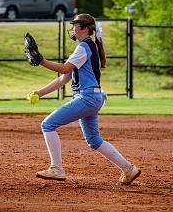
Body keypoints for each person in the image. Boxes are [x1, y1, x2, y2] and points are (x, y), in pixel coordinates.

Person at [31, 13, 141, 185]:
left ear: (82, 27)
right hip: (93, 97)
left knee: (47, 125)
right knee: (94, 140)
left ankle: (56, 168)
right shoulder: (85, 47)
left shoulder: (84, 46)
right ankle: (129, 169)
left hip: (87, 97)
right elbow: (63, 78)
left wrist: (42, 61)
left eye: (74, 25)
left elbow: (64, 67)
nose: (72, 28)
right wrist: (39, 93)